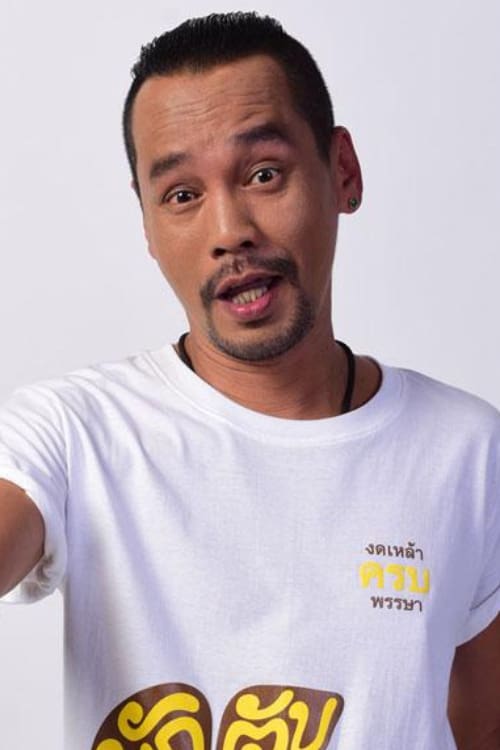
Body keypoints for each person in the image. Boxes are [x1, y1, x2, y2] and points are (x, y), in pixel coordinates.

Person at [0, 11, 499, 750]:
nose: (229, 229)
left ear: (342, 172)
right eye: (181, 195)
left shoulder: (468, 450)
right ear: (147, 225)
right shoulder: (73, 433)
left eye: (264, 174)